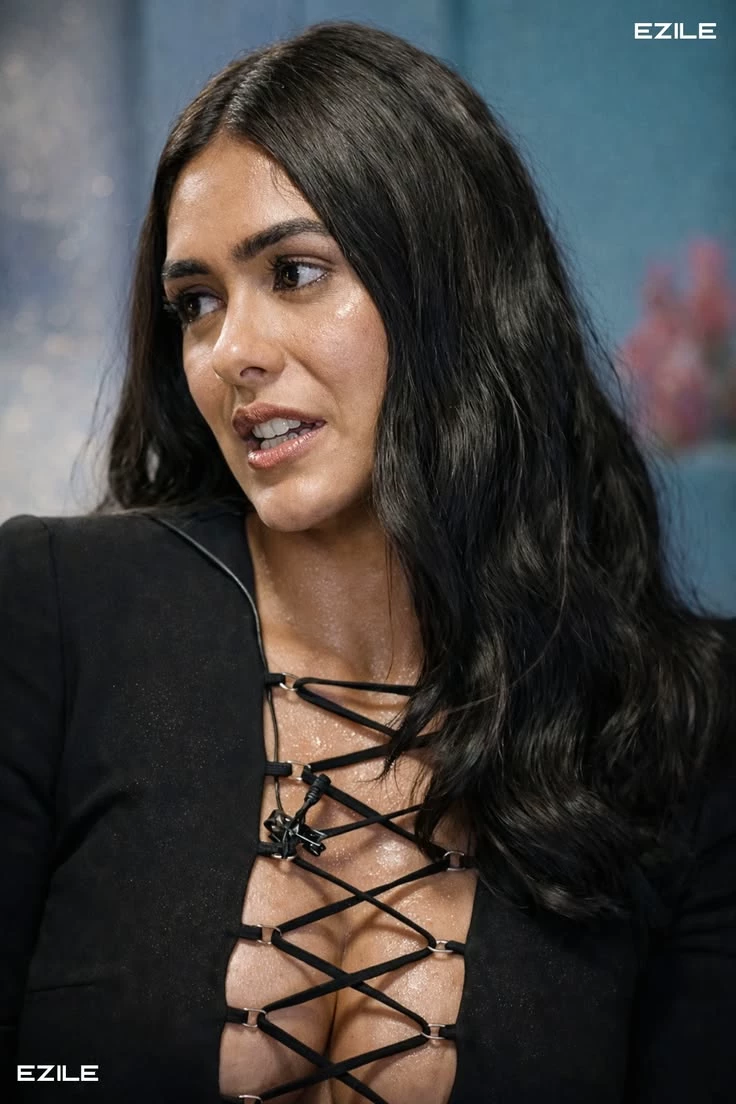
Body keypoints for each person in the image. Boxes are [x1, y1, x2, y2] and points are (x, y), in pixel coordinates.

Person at [1, 19, 735, 1104]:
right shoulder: (55, 618)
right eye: (195, 302)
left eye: (295, 273)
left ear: (452, 289)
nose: (231, 353)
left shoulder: (678, 716)